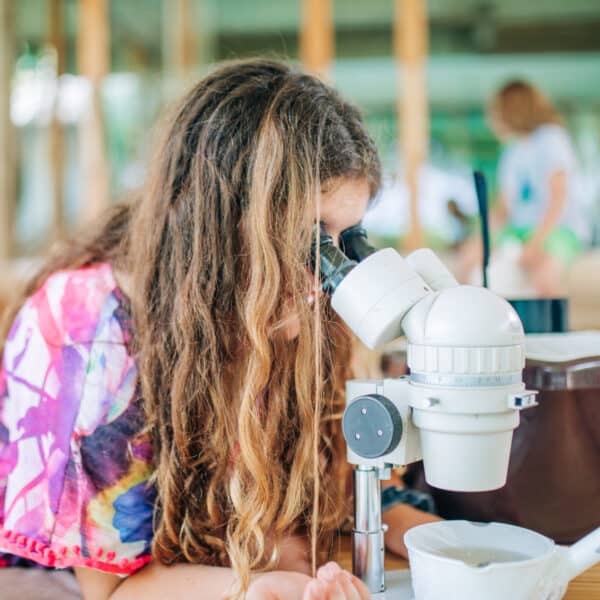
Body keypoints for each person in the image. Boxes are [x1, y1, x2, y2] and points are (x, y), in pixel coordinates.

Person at [0, 59, 387, 600]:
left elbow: (290, 528)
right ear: (222, 218)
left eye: (343, 242)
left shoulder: (274, 312)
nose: (323, 279)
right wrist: (254, 587)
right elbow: (110, 592)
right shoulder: (89, 331)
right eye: (306, 239)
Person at [459, 80, 587, 296]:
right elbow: (504, 208)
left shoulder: (551, 139)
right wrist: (482, 237)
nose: (492, 121)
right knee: (468, 258)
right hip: (520, 231)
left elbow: (559, 199)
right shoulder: (512, 151)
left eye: (495, 113)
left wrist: (537, 242)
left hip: (558, 229)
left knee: (544, 277)